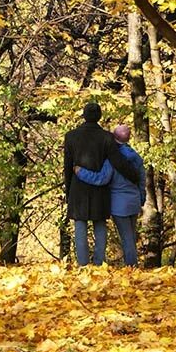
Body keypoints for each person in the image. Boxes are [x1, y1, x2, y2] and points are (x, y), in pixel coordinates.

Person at [64, 103, 139, 266]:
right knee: (99, 224)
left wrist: (68, 191)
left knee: (80, 224)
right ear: (99, 117)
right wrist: (134, 176)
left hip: (78, 188)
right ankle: (98, 262)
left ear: (83, 115)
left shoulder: (71, 136)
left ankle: (83, 264)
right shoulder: (107, 137)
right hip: (101, 188)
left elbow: (67, 166)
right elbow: (117, 160)